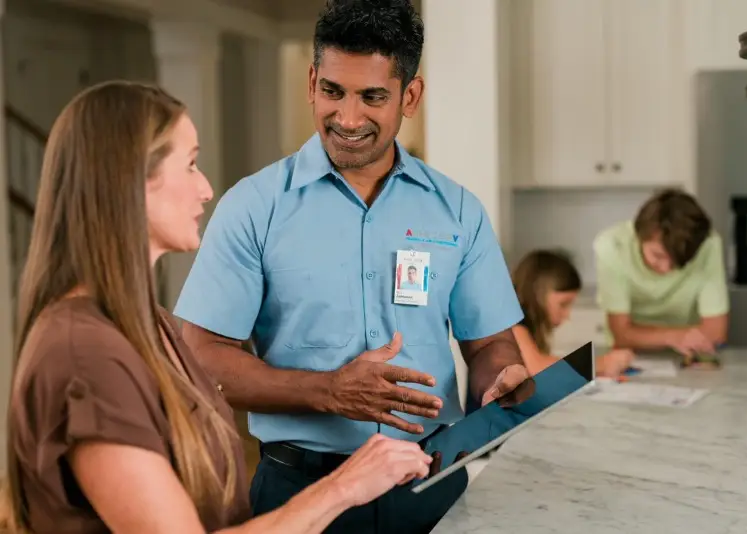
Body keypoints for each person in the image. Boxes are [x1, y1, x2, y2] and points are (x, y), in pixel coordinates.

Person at [0, 80, 434, 534]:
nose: (206, 189)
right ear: (129, 180)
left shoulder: (151, 327)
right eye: (189, 165)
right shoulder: (83, 353)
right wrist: (344, 486)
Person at [174, 1, 533, 532]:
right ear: (312, 81)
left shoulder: (458, 211)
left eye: (373, 97)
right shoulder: (253, 207)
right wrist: (329, 391)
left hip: (431, 484)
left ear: (410, 96)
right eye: (334, 92)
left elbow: (488, 345)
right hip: (301, 492)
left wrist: (502, 380)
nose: (347, 118)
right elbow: (200, 360)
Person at [593, 189, 729, 359]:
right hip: (628, 356)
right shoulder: (612, 245)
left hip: (691, 355)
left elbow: (716, 333)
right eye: (658, 256)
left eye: (679, 261)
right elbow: (621, 334)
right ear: (639, 236)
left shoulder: (708, 244)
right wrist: (674, 337)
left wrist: (644, 335)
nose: (665, 268)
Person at [511, 250, 635, 378]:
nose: (567, 315)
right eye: (563, 304)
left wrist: (595, 371)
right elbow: (537, 367)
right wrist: (599, 363)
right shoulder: (510, 319)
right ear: (538, 294)